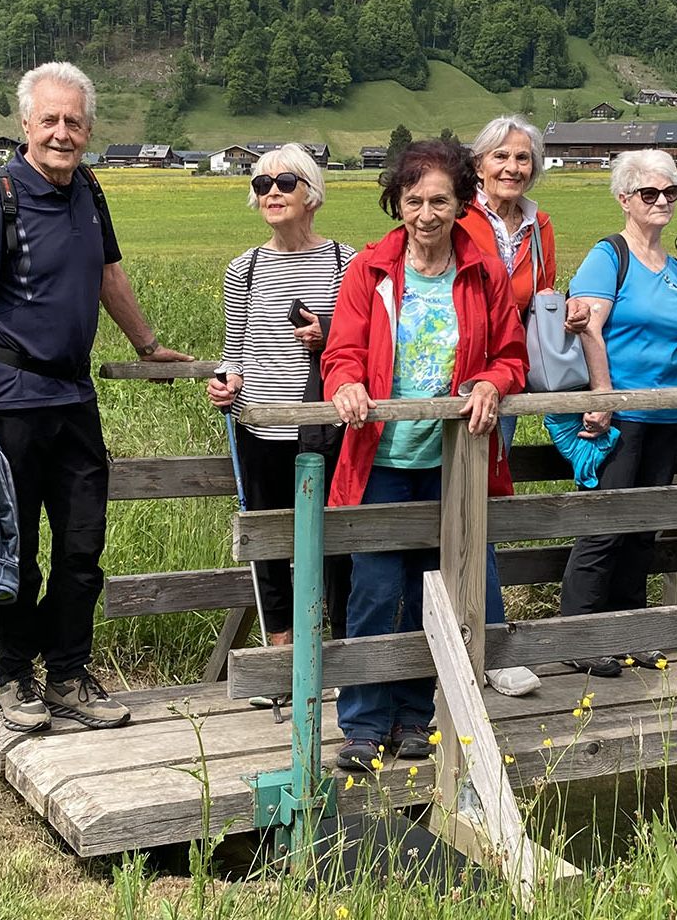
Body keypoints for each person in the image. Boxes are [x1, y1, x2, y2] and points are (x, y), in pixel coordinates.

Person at [0, 61, 192, 733]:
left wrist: (146, 343)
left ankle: (69, 675)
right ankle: (14, 676)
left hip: (73, 400)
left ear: (89, 128)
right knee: (14, 550)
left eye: (73, 121)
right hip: (8, 404)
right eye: (49, 120)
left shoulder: (88, 187)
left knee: (83, 546)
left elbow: (108, 272)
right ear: (26, 124)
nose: (61, 132)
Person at [324, 140, 528, 771]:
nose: (427, 214)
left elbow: (512, 356)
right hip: (380, 461)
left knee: (433, 594)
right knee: (374, 593)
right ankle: (361, 724)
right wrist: (348, 383)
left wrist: (494, 382)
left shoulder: (485, 272)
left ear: (462, 202)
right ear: (398, 203)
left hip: (453, 464)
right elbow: (341, 351)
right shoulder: (370, 270)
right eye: (414, 201)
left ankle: (415, 717)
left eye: (440, 200)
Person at [560, 149, 677, 677]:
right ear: (625, 199)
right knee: (604, 526)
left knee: (643, 528)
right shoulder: (609, 256)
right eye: (650, 193)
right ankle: (578, 634)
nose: (663, 200)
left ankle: (627, 631)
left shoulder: (676, 269)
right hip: (619, 415)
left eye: (672, 192)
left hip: (665, 416)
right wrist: (602, 399)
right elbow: (587, 329)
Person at [206, 146, 356, 659]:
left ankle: (335, 653)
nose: (271, 191)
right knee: (269, 543)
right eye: (261, 183)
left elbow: (367, 341)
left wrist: (328, 333)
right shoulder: (243, 269)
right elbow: (234, 351)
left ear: (311, 194)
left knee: (334, 542)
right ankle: (281, 659)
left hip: (327, 428)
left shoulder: (345, 262)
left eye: (285, 182)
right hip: (260, 427)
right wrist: (225, 382)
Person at [455, 114, 589, 451]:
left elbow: (540, 297)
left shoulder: (540, 225)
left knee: (492, 472)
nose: (512, 168)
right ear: (479, 165)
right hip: (455, 369)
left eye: (522, 158)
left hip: (506, 369)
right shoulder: (456, 217)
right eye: (500, 156)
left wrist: (564, 305)